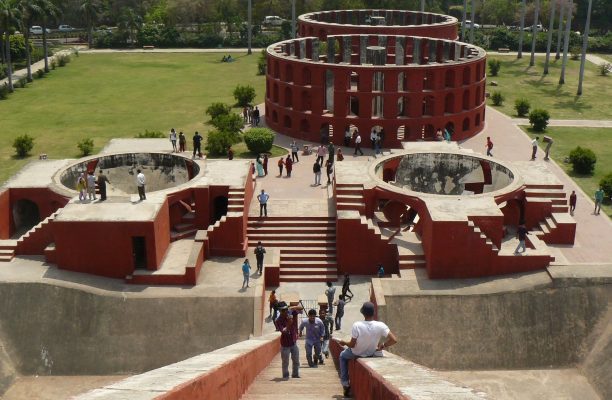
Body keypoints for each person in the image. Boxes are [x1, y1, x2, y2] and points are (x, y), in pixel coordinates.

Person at [336, 302, 397, 398]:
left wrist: (344, 342)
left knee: (342, 356)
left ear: (363, 313)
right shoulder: (380, 325)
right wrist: (383, 345)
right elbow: (394, 339)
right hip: (371, 353)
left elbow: (352, 345)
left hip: (356, 352)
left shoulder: (357, 325)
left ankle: (345, 383)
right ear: (373, 313)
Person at [274, 302, 302, 379]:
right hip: (285, 344)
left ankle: (295, 374)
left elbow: (301, 308)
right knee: (285, 362)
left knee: (296, 360)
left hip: (293, 342)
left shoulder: (290, 312)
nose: (285, 311)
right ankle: (285, 376)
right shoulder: (278, 320)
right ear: (279, 311)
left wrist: (291, 308)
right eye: (283, 310)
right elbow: (284, 331)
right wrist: (289, 323)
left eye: (286, 309)